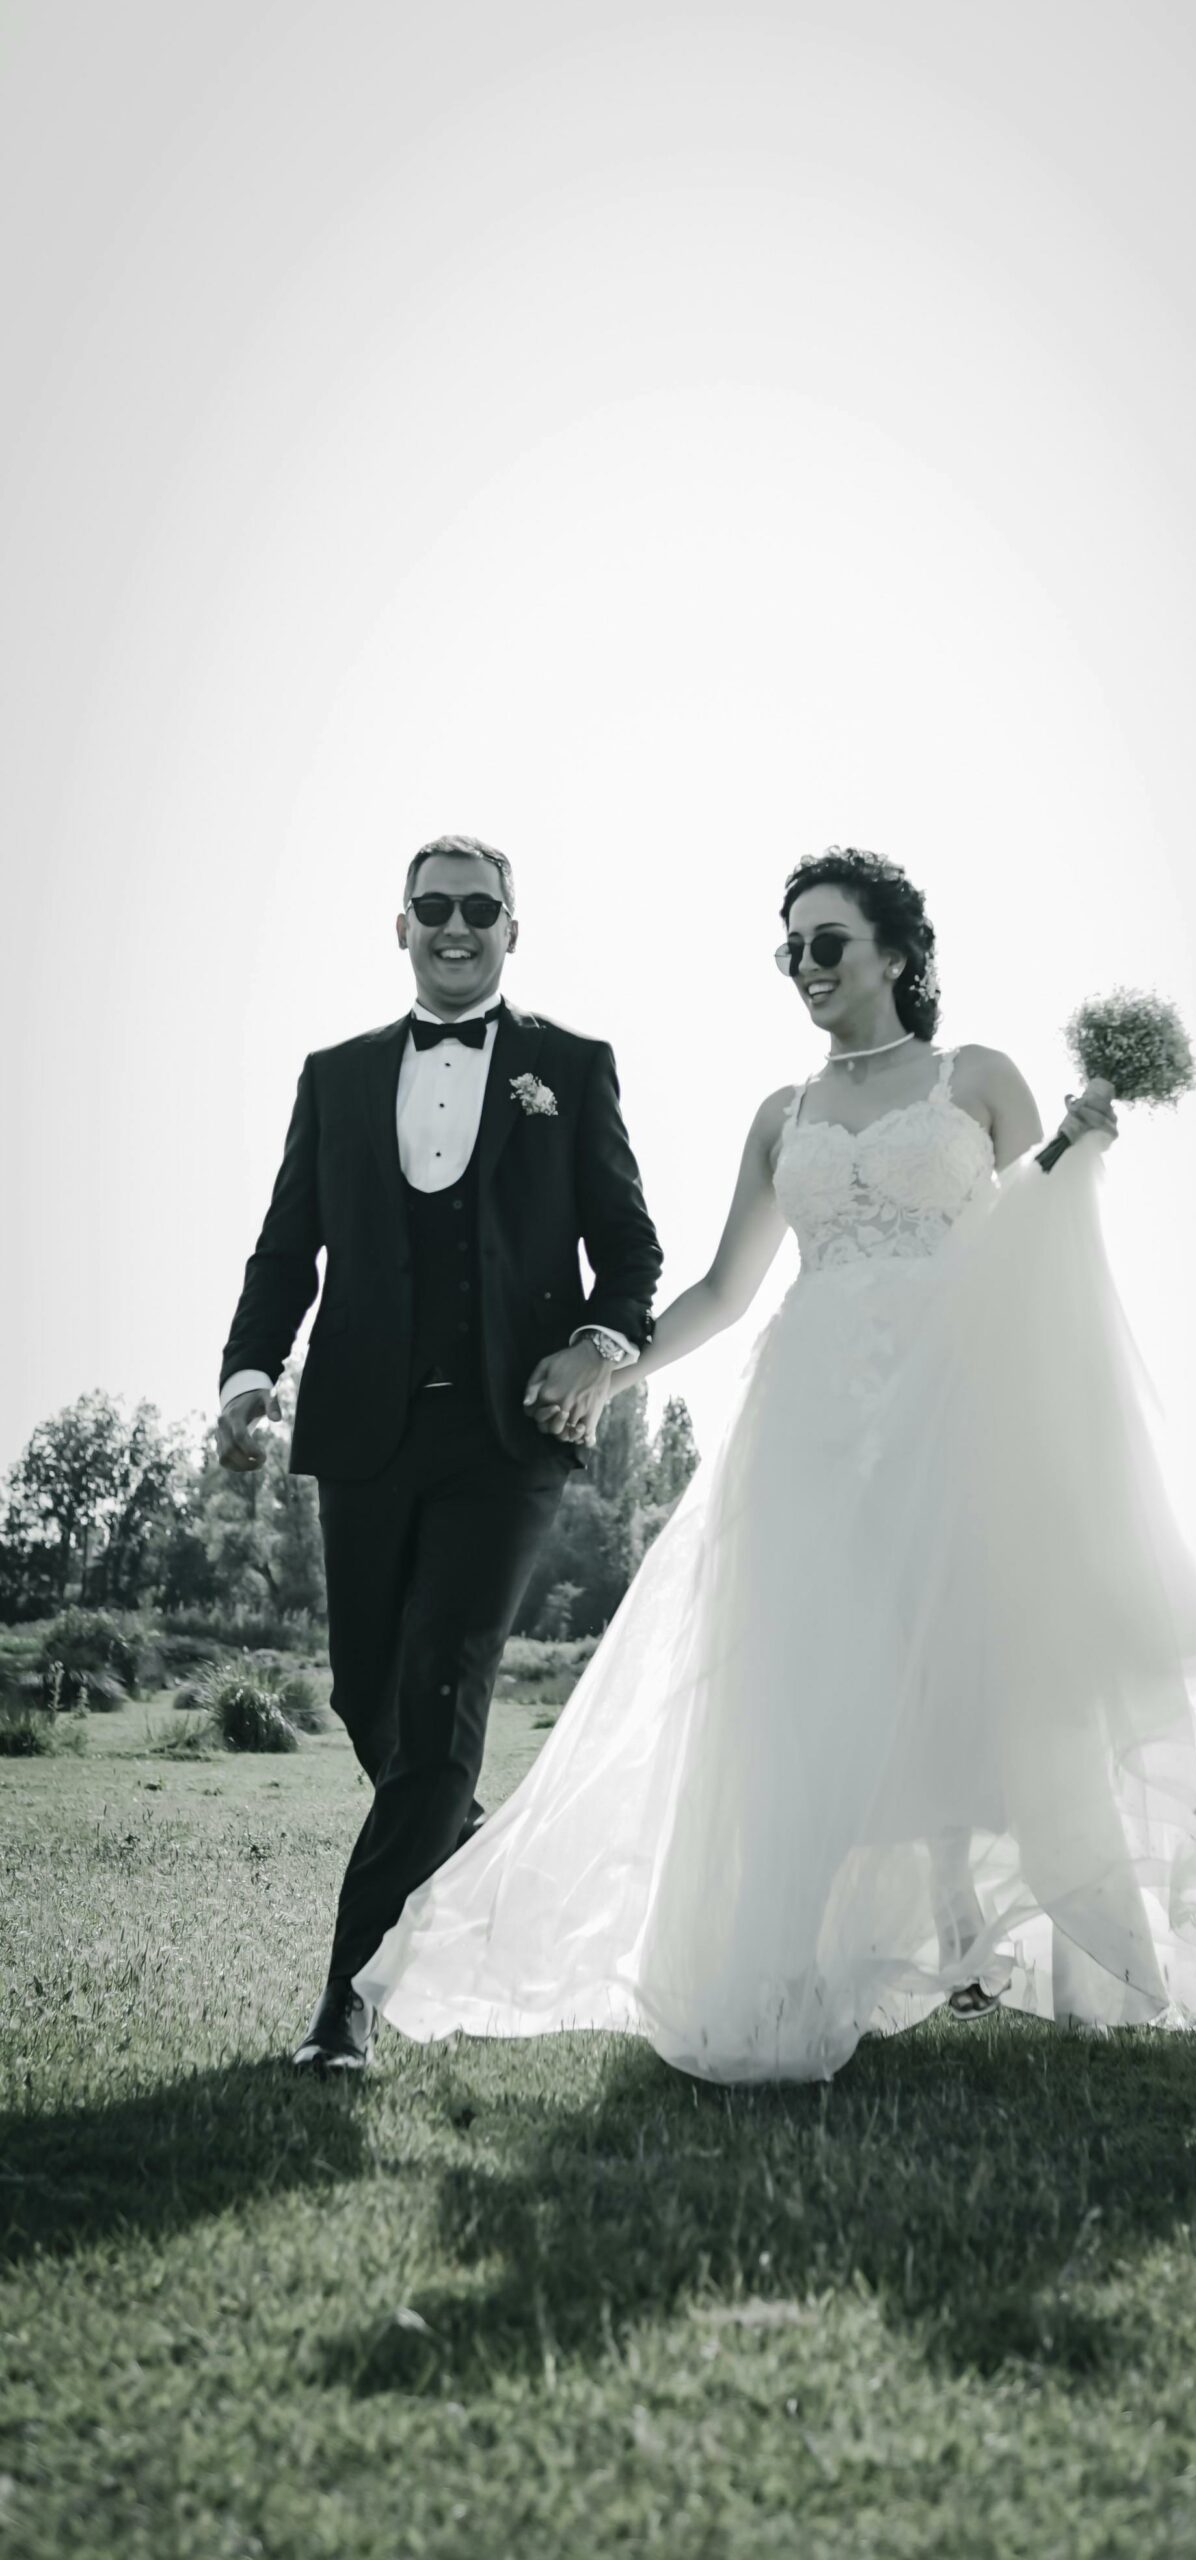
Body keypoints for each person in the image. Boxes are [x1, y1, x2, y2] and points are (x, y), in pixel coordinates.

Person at [356, 846, 1196, 2084]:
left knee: (987, 1665)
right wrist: (614, 1365)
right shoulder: (779, 1115)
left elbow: (1024, 1246)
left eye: (826, 942)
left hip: (959, 1414)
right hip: (809, 1428)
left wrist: (1072, 1149)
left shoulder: (977, 1077)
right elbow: (727, 1291)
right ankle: (799, 1957)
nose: (803, 965)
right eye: (788, 946)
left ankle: (1042, 1929)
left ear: (896, 953)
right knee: (806, 1684)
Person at [217, 834, 662, 2070]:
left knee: (438, 1689)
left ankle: (347, 2007)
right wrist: (249, 1376)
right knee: (371, 1696)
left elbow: (631, 1252)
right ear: (399, 925)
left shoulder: (571, 1068)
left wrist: (596, 1348)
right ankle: (487, 1853)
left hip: (504, 1438)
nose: (454, 927)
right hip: (361, 1430)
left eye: (479, 909)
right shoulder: (335, 1075)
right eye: (432, 908)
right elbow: (282, 1250)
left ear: (515, 928)